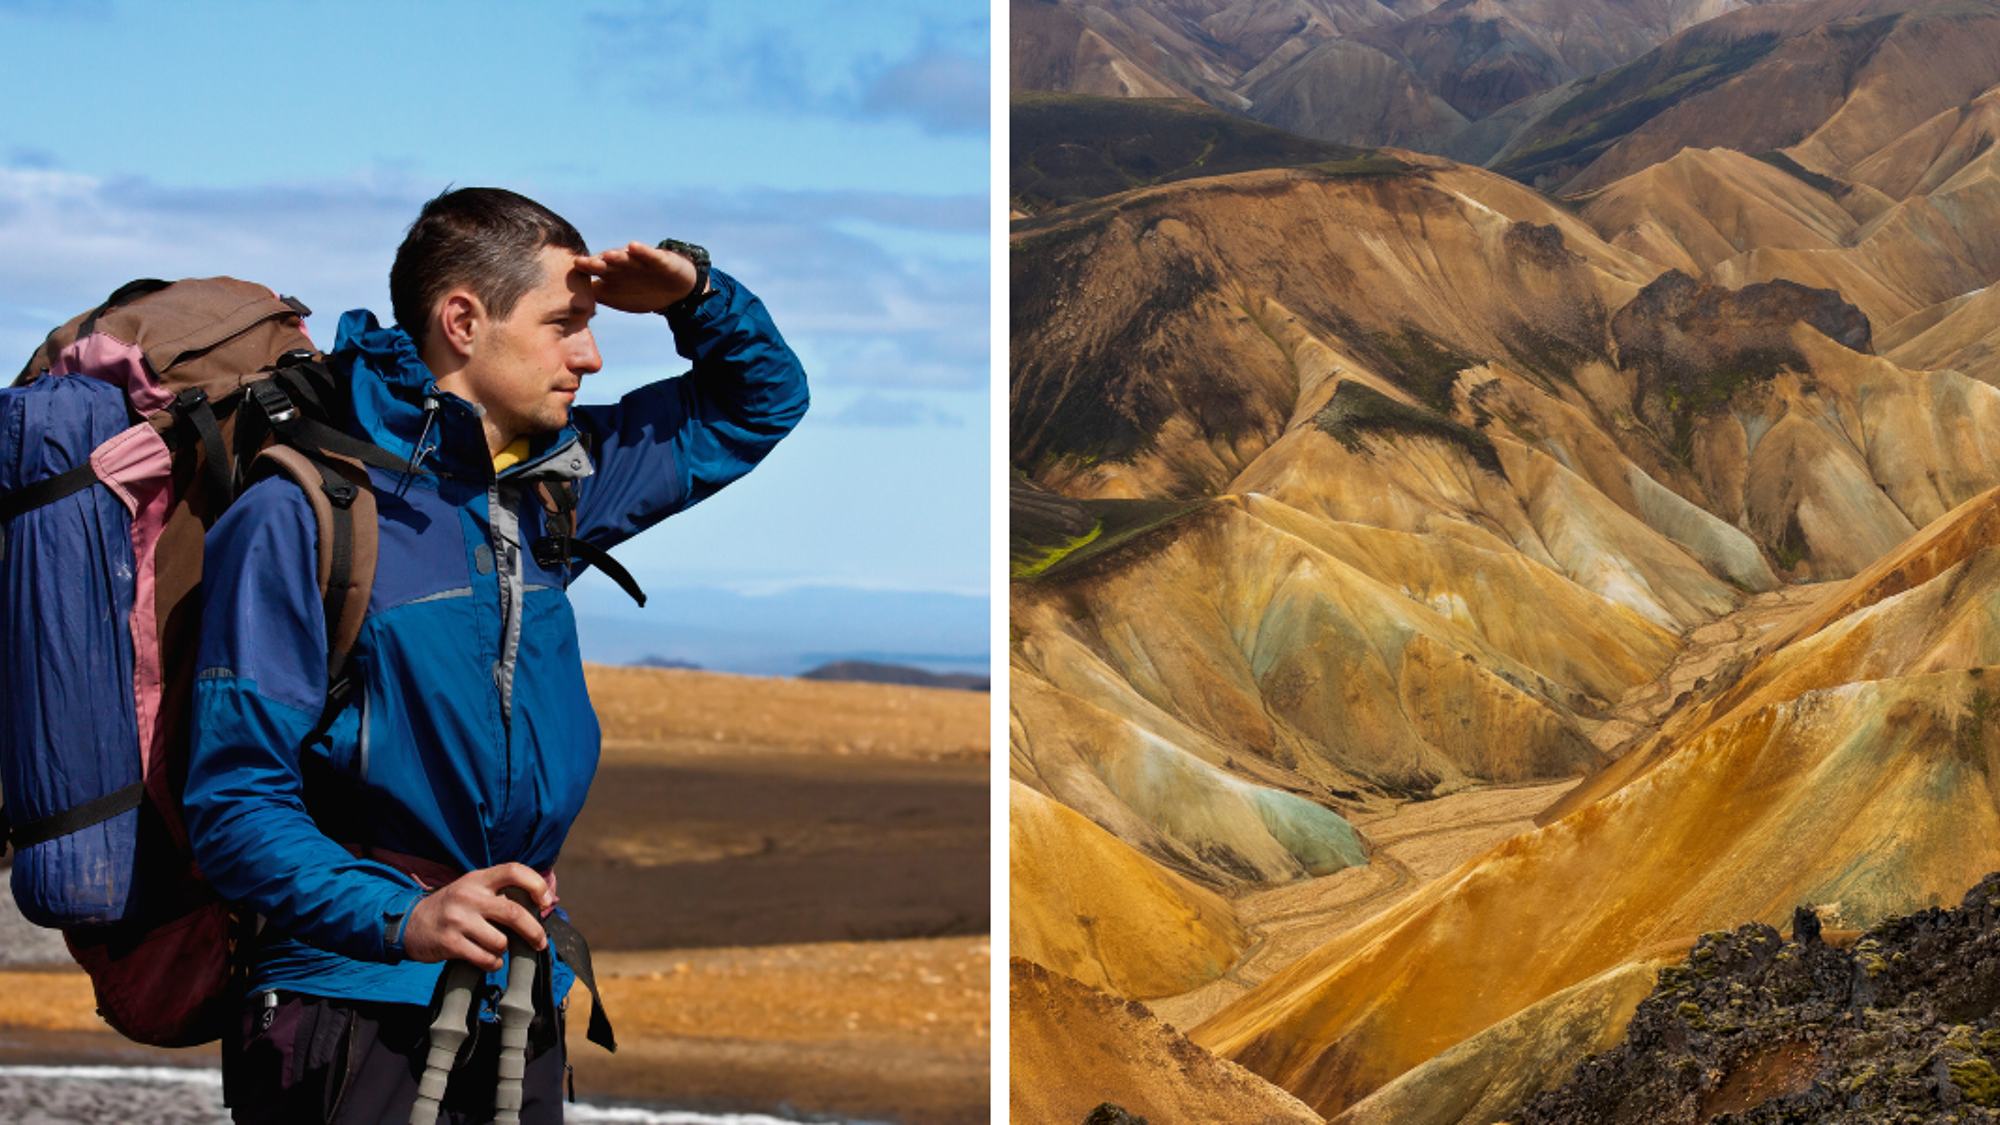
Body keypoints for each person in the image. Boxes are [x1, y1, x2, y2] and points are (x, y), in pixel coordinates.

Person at [182, 187, 809, 1123]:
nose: (589, 356)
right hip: (350, 1007)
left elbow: (758, 402)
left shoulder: (551, 484)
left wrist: (698, 295)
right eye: (564, 324)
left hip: (515, 991)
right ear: (464, 322)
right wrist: (404, 917)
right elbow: (234, 800)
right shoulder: (301, 513)